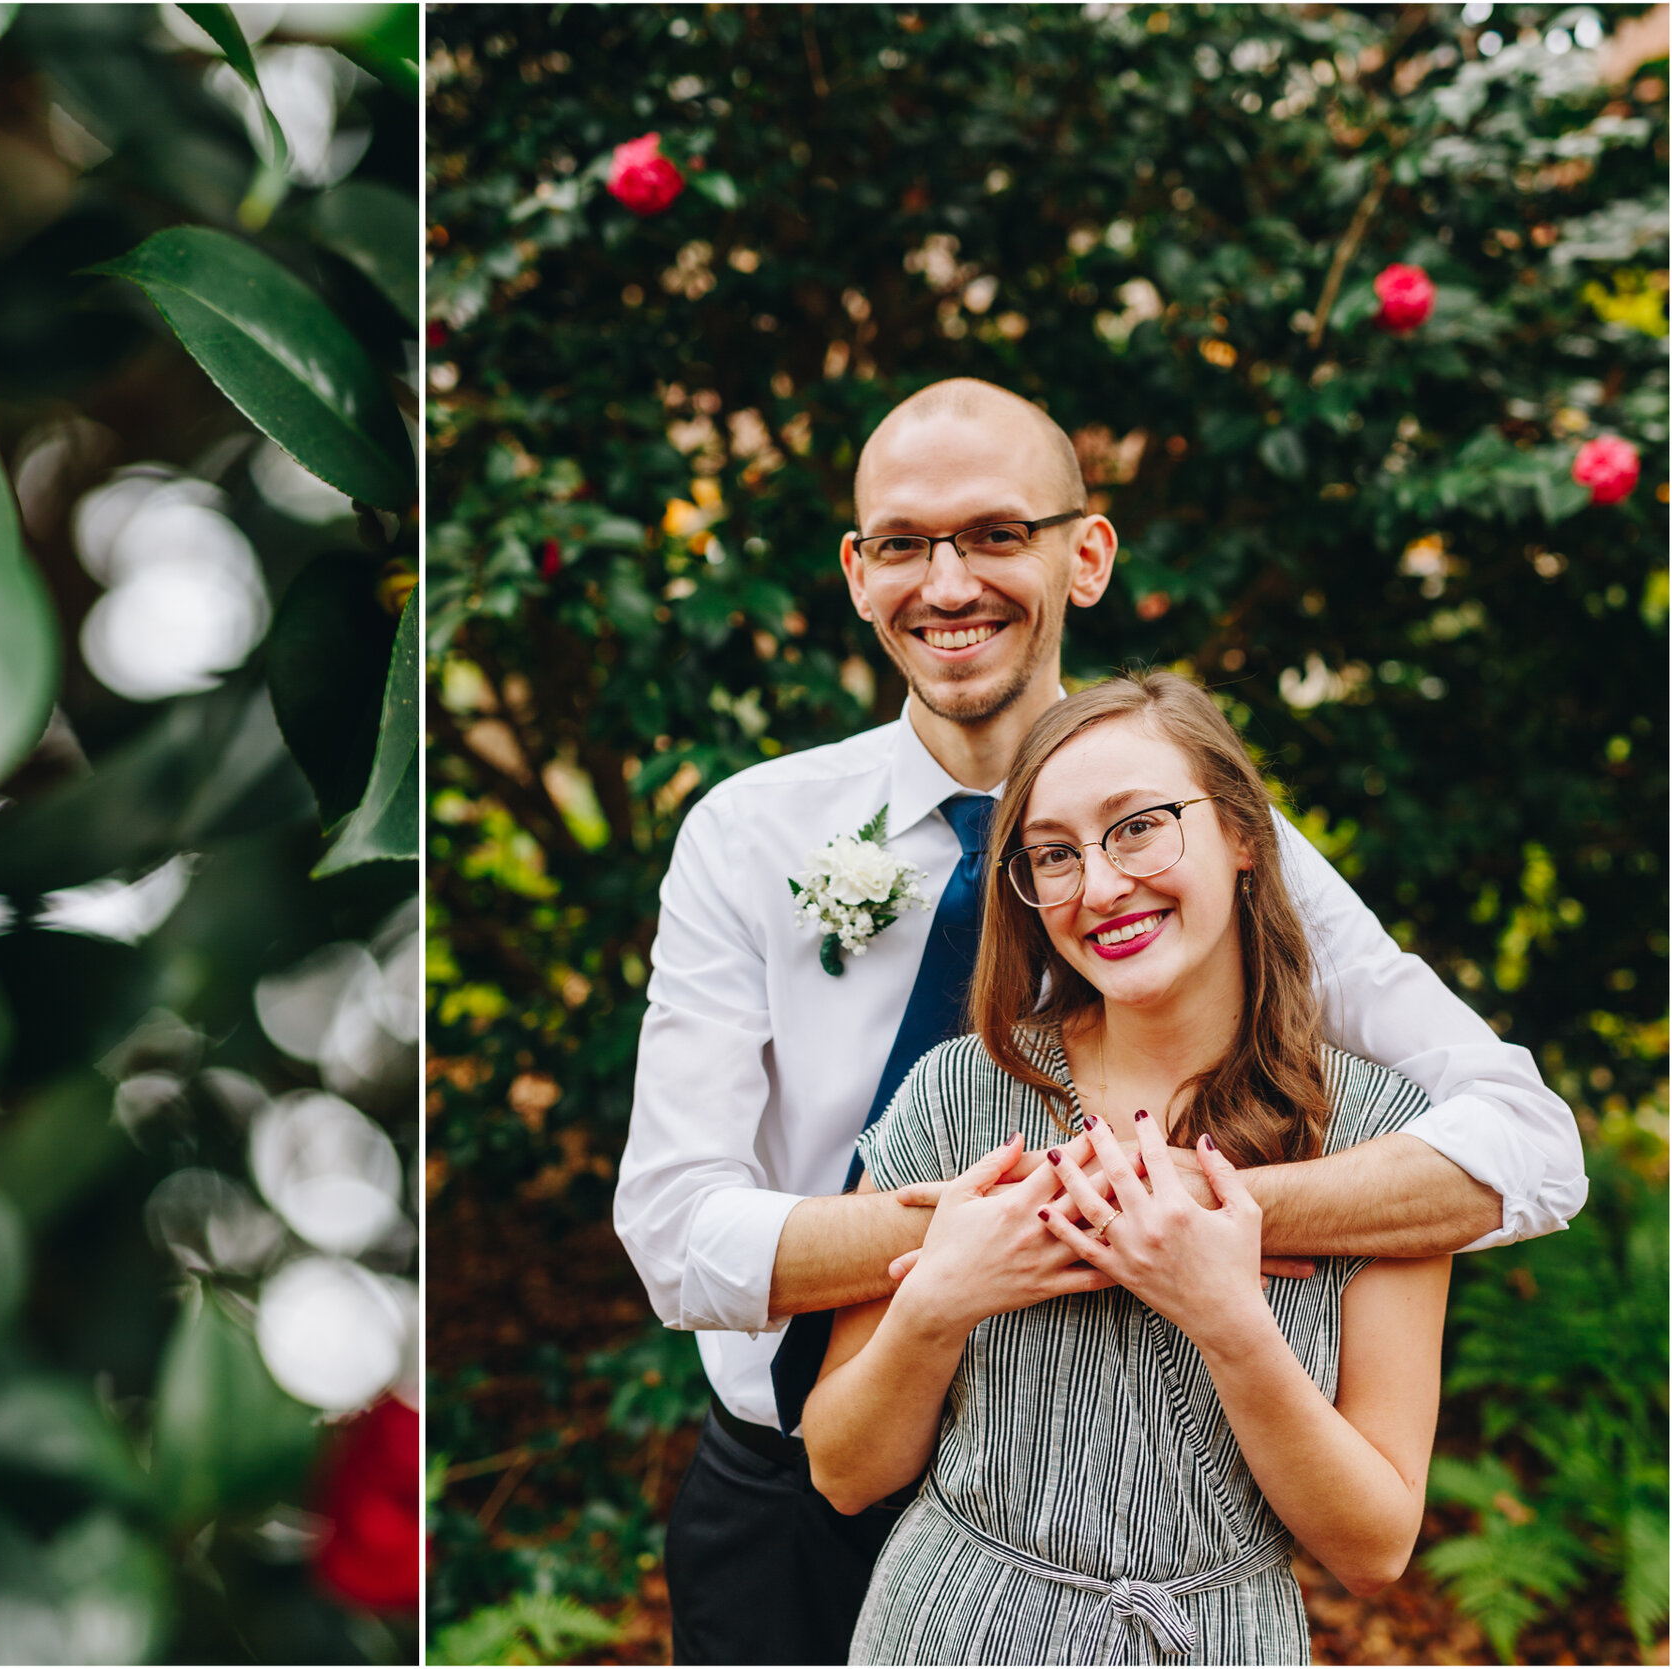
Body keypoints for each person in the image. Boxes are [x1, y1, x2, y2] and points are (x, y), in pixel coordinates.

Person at [612, 378, 1587, 1664]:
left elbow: (1528, 1143)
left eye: (996, 533)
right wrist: (960, 1244)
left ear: (1087, 554)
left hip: (1151, 1547)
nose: (946, 582)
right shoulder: (748, 836)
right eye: (903, 544)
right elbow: (676, 1233)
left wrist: (1173, 1216)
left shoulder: (1221, 843)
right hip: (796, 1489)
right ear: (856, 574)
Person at [804, 669, 1450, 1665]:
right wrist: (938, 1300)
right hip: (954, 1627)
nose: (1099, 885)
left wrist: (1228, 1319)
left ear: (1242, 833)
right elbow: (844, 1471)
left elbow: (1373, 1545)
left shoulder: (1380, 1138)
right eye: (1052, 853)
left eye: (1138, 825)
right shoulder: (953, 1094)